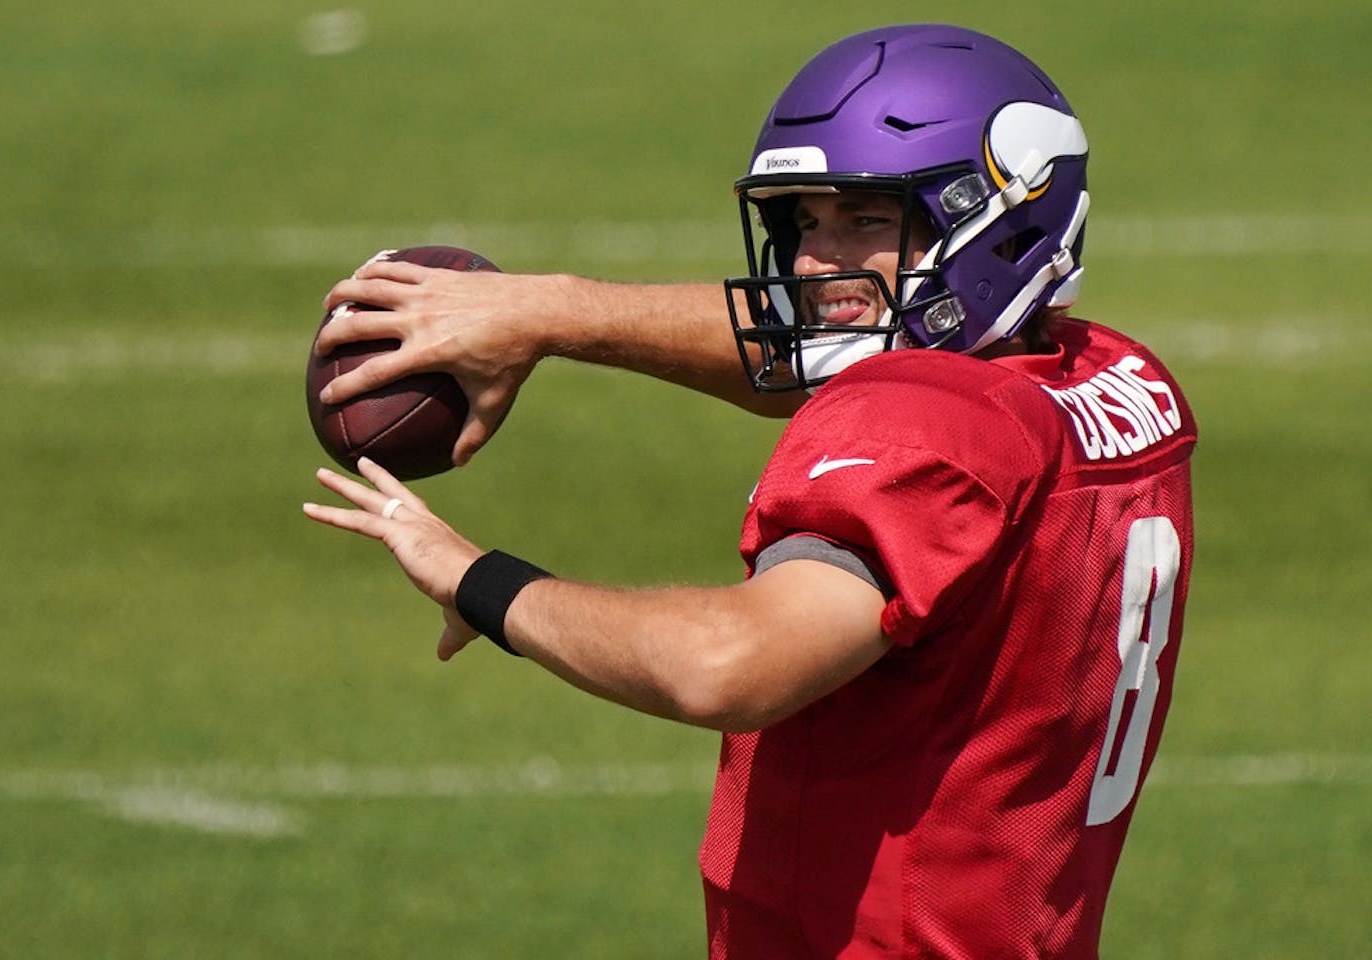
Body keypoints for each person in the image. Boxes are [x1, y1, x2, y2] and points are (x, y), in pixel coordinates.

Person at [302, 23, 1196, 959]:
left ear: (996, 215)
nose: (816, 266)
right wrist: (547, 312)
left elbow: (728, 665)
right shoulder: (1115, 384)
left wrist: (479, 582)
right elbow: (824, 355)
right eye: (805, 223)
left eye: (865, 221)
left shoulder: (919, 433)